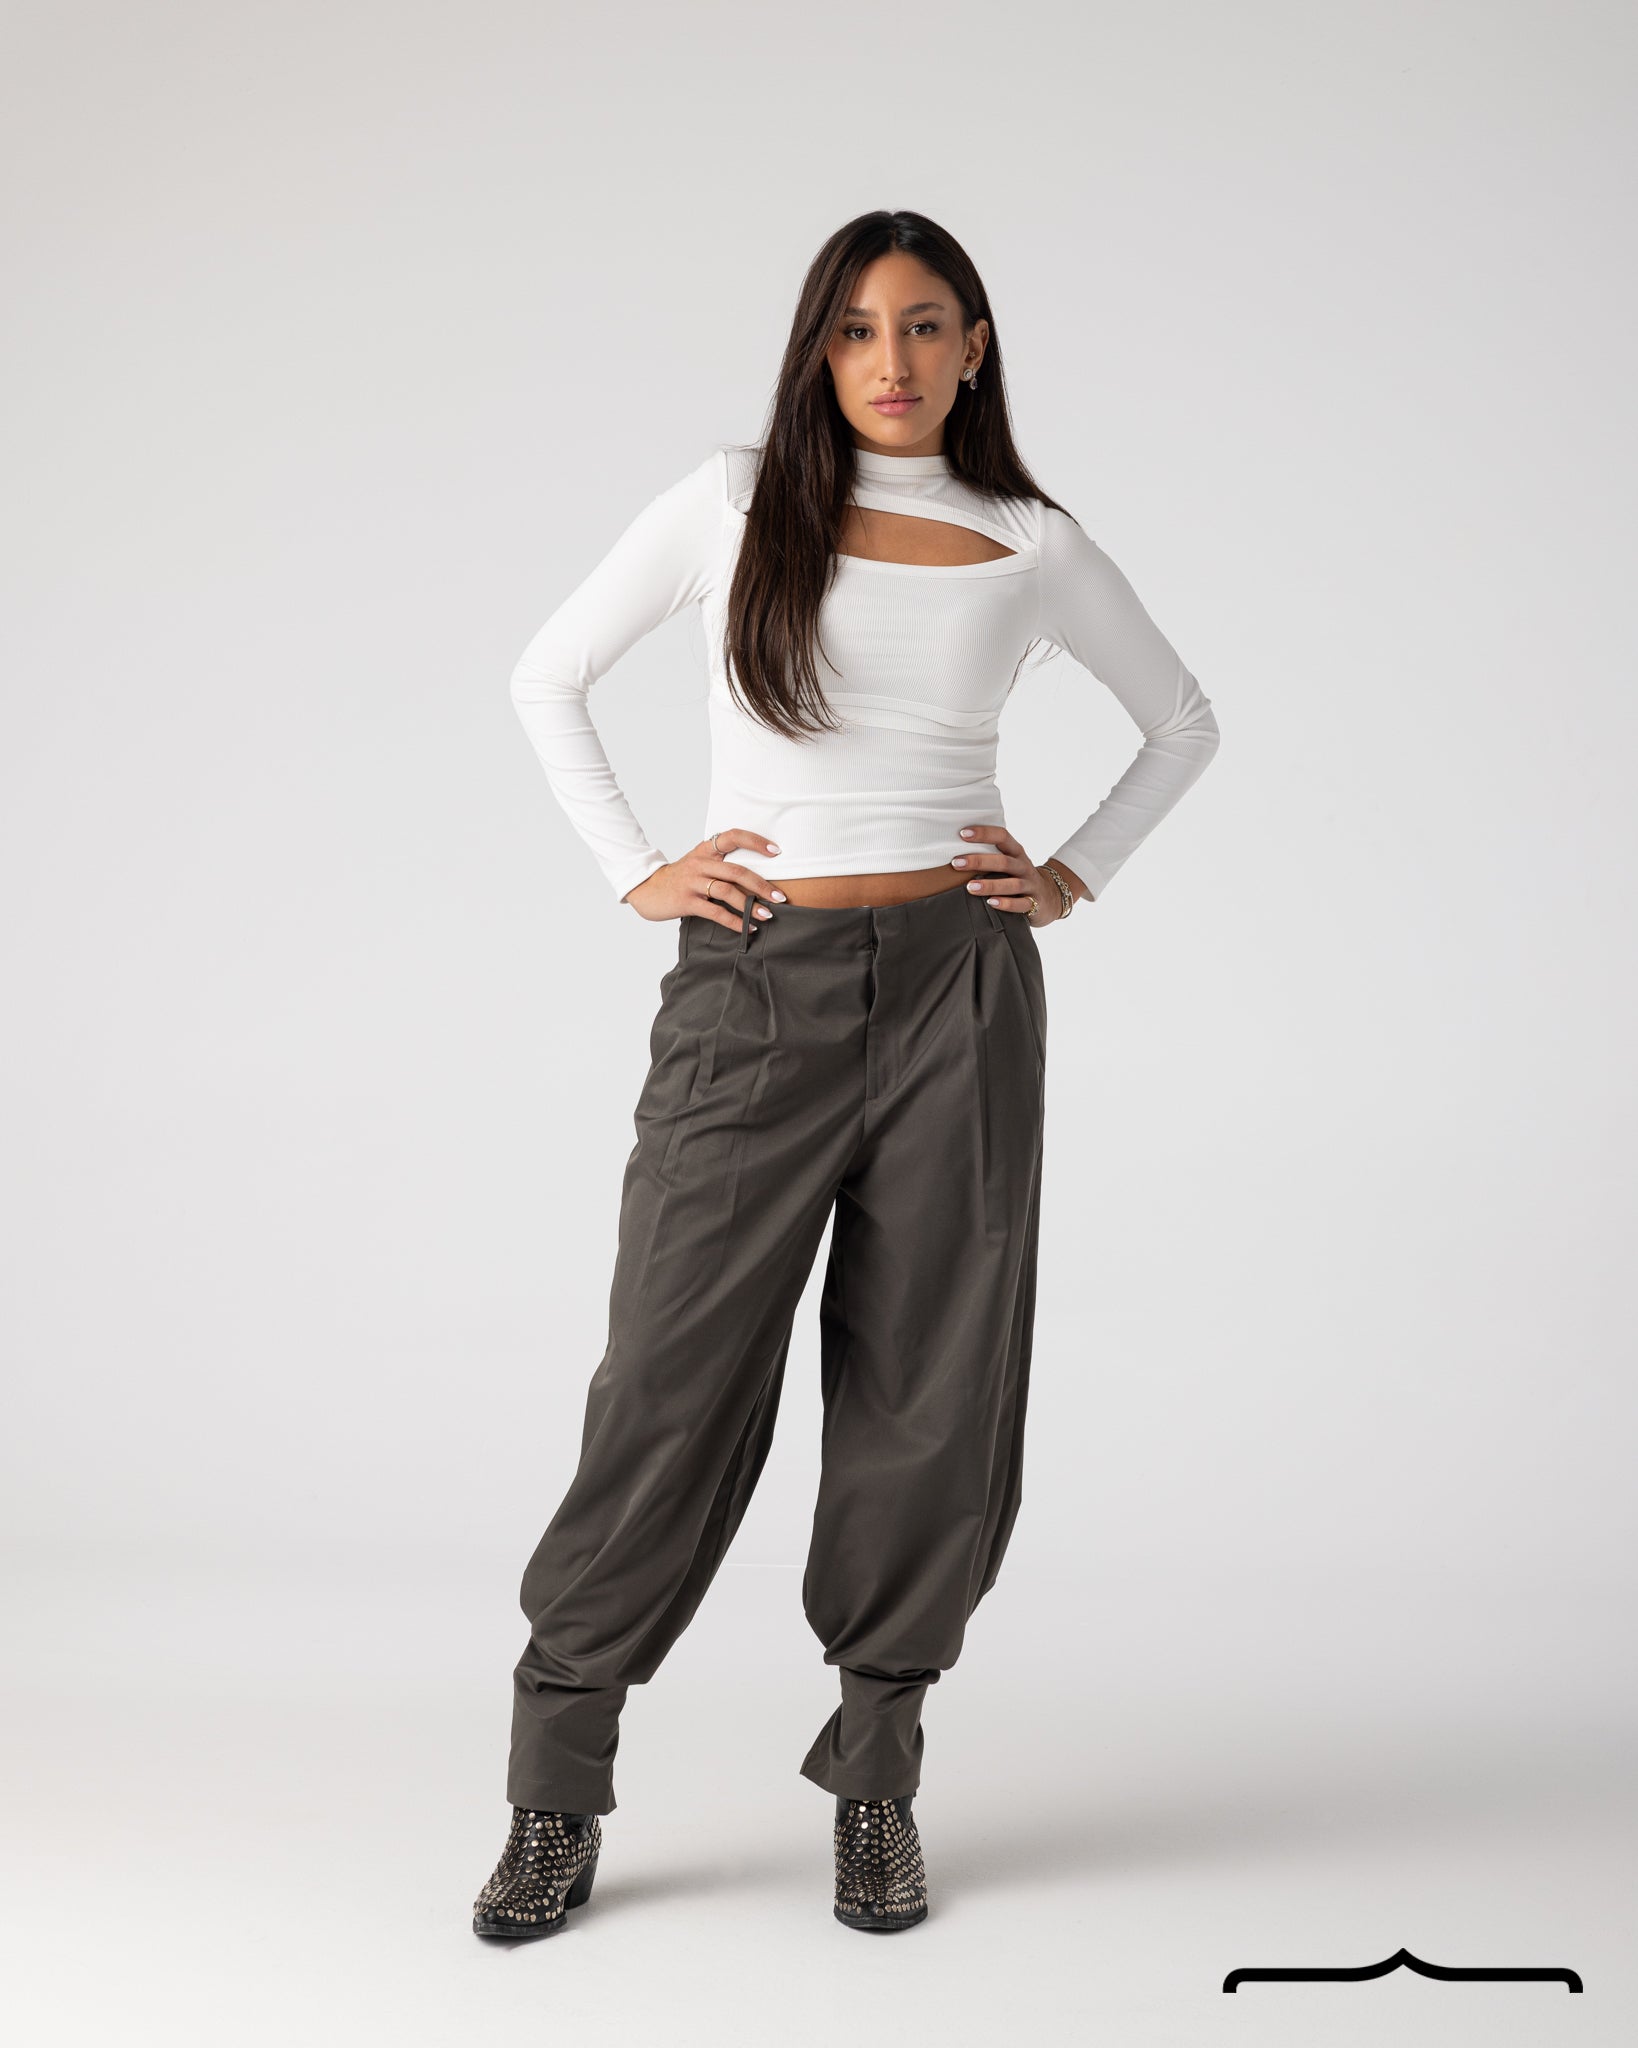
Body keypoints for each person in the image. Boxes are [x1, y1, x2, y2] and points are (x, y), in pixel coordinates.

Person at [471, 208, 1221, 1941]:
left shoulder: (1028, 539)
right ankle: (553, 1789)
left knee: (929, 1387)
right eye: (860, 329)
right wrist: (636, 869)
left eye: (927, 325)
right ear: (819, 350)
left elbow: (1183, 721)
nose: (894, 360)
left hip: (961, 986)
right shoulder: (733, 500)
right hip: (756, 984)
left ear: (974, 348)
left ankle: (875, 1778)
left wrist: (1069, 873)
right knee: (668, 1376)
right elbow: (545, 674)